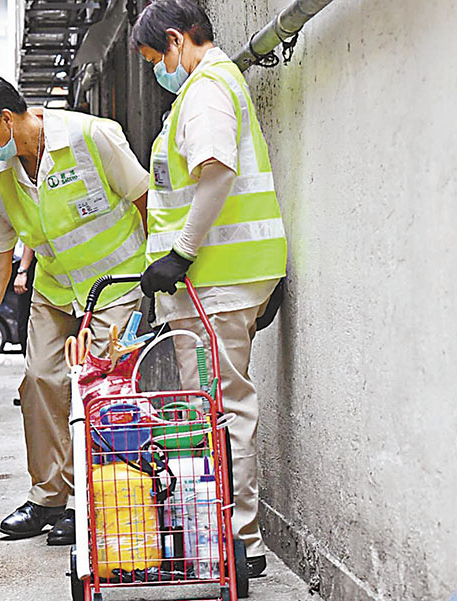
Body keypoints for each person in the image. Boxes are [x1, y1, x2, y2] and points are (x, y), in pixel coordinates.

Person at [0, 75, 149, 545]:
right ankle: (49, 497)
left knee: (100, 386)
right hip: (55, 289)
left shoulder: (92, 137)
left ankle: (93, 500)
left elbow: (148, 203)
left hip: (116, 282)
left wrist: (166, 274)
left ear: (6, 120)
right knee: (40, 381)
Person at [131, 0, 288, 578]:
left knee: (220, 409)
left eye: (154, 58)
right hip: (219, 283)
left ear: (176, 41)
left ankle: (239, 541)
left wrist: (180, 253)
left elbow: (217, 171)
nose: (156, 71)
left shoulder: (204, 91)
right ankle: (231, 534)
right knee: (219, 408)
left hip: (214, 283)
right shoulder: (211, 85)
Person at [13, 246, 36, 356]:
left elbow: (31, 242)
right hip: (24, 268)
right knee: (24, 324)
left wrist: (22, 271)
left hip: (33, 268)